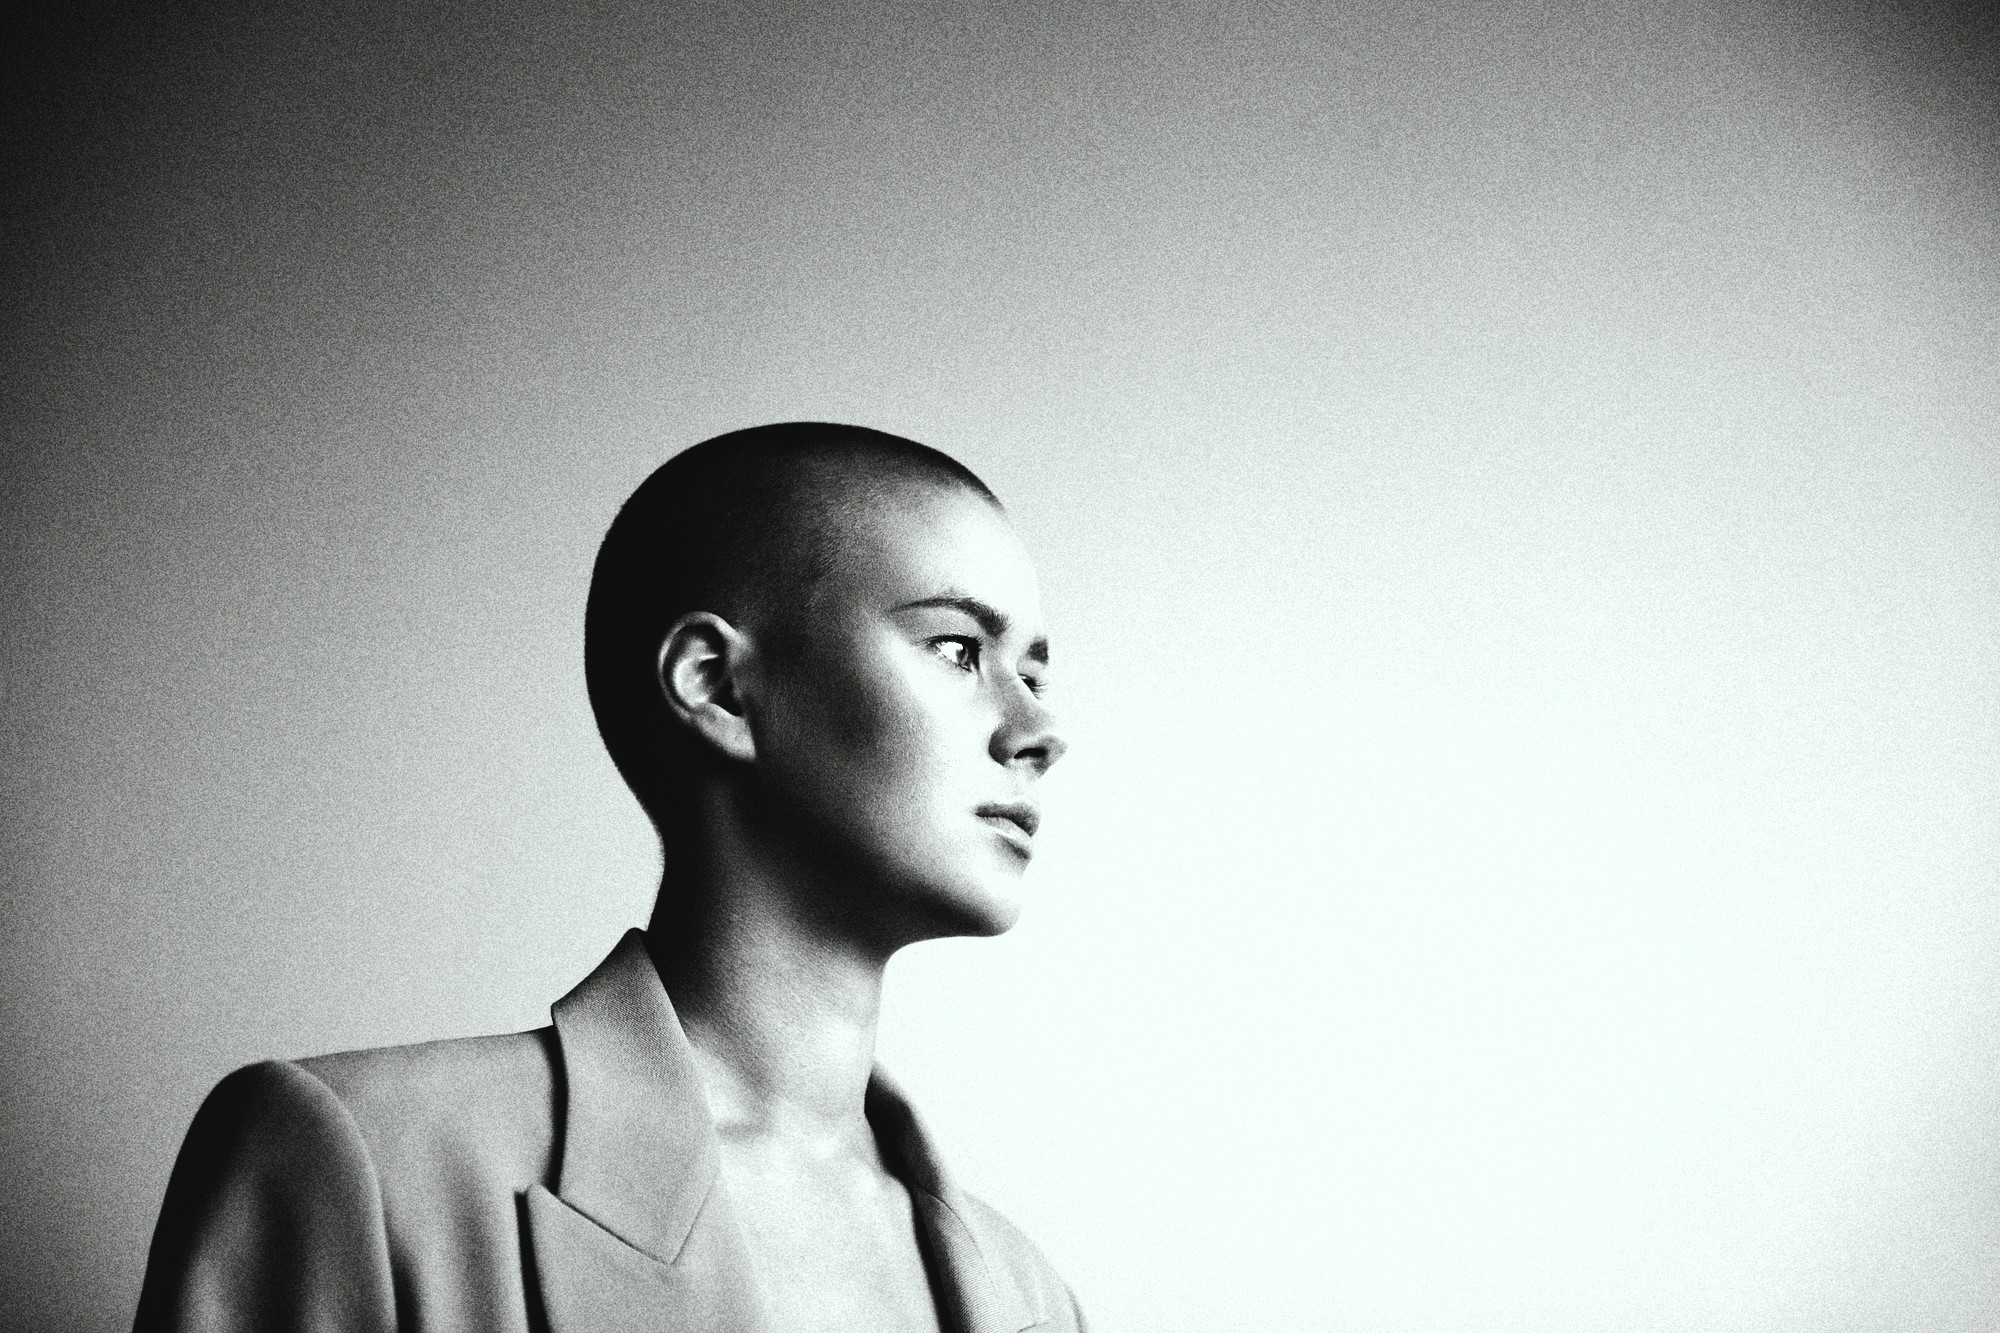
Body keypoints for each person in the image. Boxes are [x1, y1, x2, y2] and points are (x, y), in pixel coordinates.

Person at [132, 422, 1083, 1333]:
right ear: (715, 684)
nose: (1037, 732)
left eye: (1035, 674)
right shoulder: (358, 1166)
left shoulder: (1035, 1294)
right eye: (959, 649)